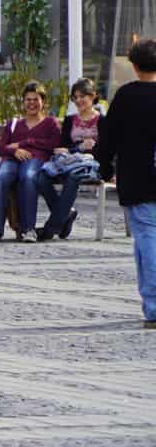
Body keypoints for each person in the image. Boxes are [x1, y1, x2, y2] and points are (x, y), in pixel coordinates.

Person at [94, 39, 156, 328]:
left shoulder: (126, 96)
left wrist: (105, 168)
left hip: (138, 178)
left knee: (147, 241)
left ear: (133, 64)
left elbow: (108, 139)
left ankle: (153, 305)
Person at [0, 81, 61, 243]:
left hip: (35, 159)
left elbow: (53, 144)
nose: (31, 103)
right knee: (1, 178)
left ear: (43, 102)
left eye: (35, 99)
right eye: (28, 99)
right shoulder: (14, 124)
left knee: (28, 177)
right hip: (12, 159)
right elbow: (1, 148)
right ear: (23, 102)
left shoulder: (50, 123)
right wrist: (15, 150)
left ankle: (28, 229)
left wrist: (25, 143)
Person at [36, 77, 101, 241]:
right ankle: (67, 214)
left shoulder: (103, 121)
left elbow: (107, 150)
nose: (78, 100)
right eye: (75, 97)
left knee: (73, 178)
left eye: (82, 96)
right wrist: (77, 147)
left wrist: (91, 148)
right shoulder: (70, 120)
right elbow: (64, 146)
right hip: (68, 162)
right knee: (42, 177)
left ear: (92, 96)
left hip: (92, 165)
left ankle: (51, 228)